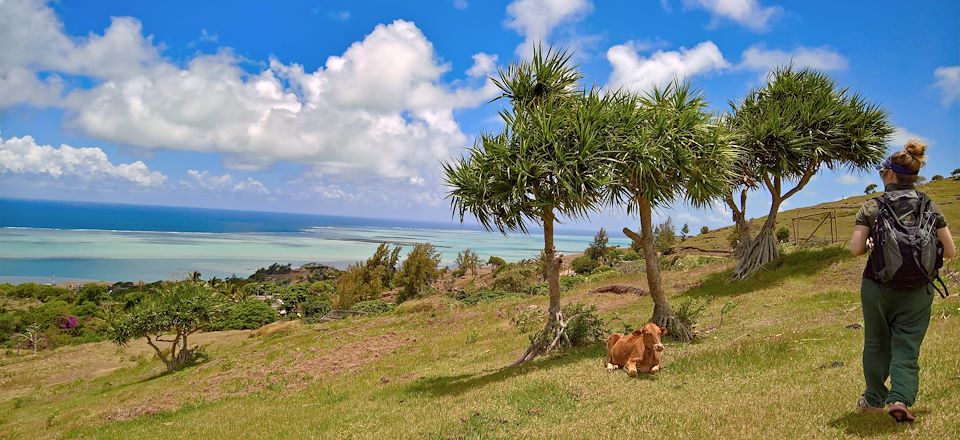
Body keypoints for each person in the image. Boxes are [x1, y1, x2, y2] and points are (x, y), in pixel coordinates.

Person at [848, 139, 955, 423]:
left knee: (875, 342)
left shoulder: (872, 206)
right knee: (907, 344)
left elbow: (855, 249)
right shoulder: (929, 206)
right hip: (919, 289)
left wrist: (872, 244)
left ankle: (872, 400)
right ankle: (900, 399)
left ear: (890, 174)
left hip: (877, 286)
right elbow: (952, 252)